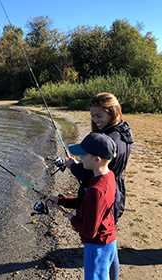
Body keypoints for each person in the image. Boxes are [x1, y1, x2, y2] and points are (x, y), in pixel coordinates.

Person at [65, 92, 133, 280]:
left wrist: (73, 166)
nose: (95, 120)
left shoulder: (111, 140)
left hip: (108, 197)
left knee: (101, 245)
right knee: (110, 245)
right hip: (115, 192)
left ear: (112, 112)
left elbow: (89, 230)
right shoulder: (122, 130)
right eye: (92, 116)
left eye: (99, 116)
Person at [45, 133, 118, 280]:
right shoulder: (108, 176)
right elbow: (87, 202)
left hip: (96, 246)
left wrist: (71, 218)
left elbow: (89, 231)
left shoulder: (96, 190)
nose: (80, 158)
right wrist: (61, 201)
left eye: (83, 155)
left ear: (96, 160)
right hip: (109, 238)